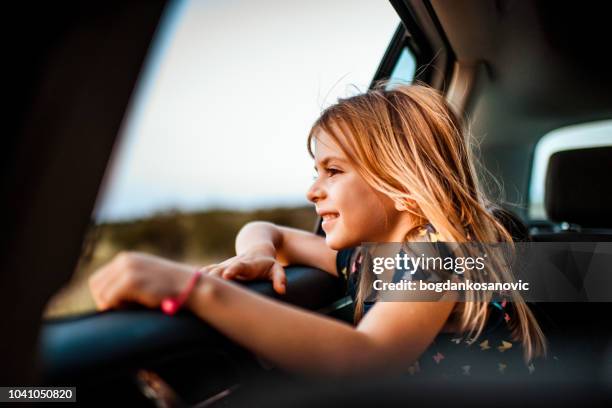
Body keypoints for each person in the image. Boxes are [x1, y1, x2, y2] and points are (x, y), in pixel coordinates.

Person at [89, 83, 547, 378]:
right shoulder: (369, 258)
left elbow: (364, 358)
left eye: (333, 171)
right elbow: (268, 230)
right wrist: (260, 254)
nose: (312, 191)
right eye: (316, 172)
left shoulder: (441, 259)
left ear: (400, 182)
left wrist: (192, 289)